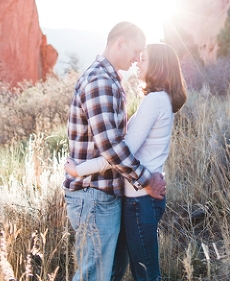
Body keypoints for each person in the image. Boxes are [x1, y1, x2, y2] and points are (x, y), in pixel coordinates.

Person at [66, 42, 188, 281]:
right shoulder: (158, 99)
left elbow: (119, 154)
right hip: (138, 199)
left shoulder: (155, 100)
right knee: (121, 271)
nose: (138, 62)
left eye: (144, 58)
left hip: (139, 201)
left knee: (146, 275)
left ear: (158, 66)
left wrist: (79, 170)